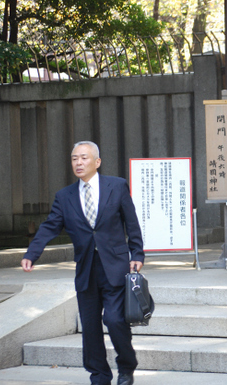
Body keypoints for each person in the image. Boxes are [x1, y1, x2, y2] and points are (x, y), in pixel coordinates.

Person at [21, 141, 144, 385]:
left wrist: (137, 254)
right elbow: (50, 226)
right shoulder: (64, 196)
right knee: (89, 327)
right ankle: (99, 375)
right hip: (86, 269)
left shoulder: (116, 186)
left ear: (97, 162)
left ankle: (127, 366)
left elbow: (131, 222)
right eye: (74, 158)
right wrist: (32, 253)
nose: (79, 162)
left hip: (116, 266)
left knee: (115, 320)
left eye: (84, 158)